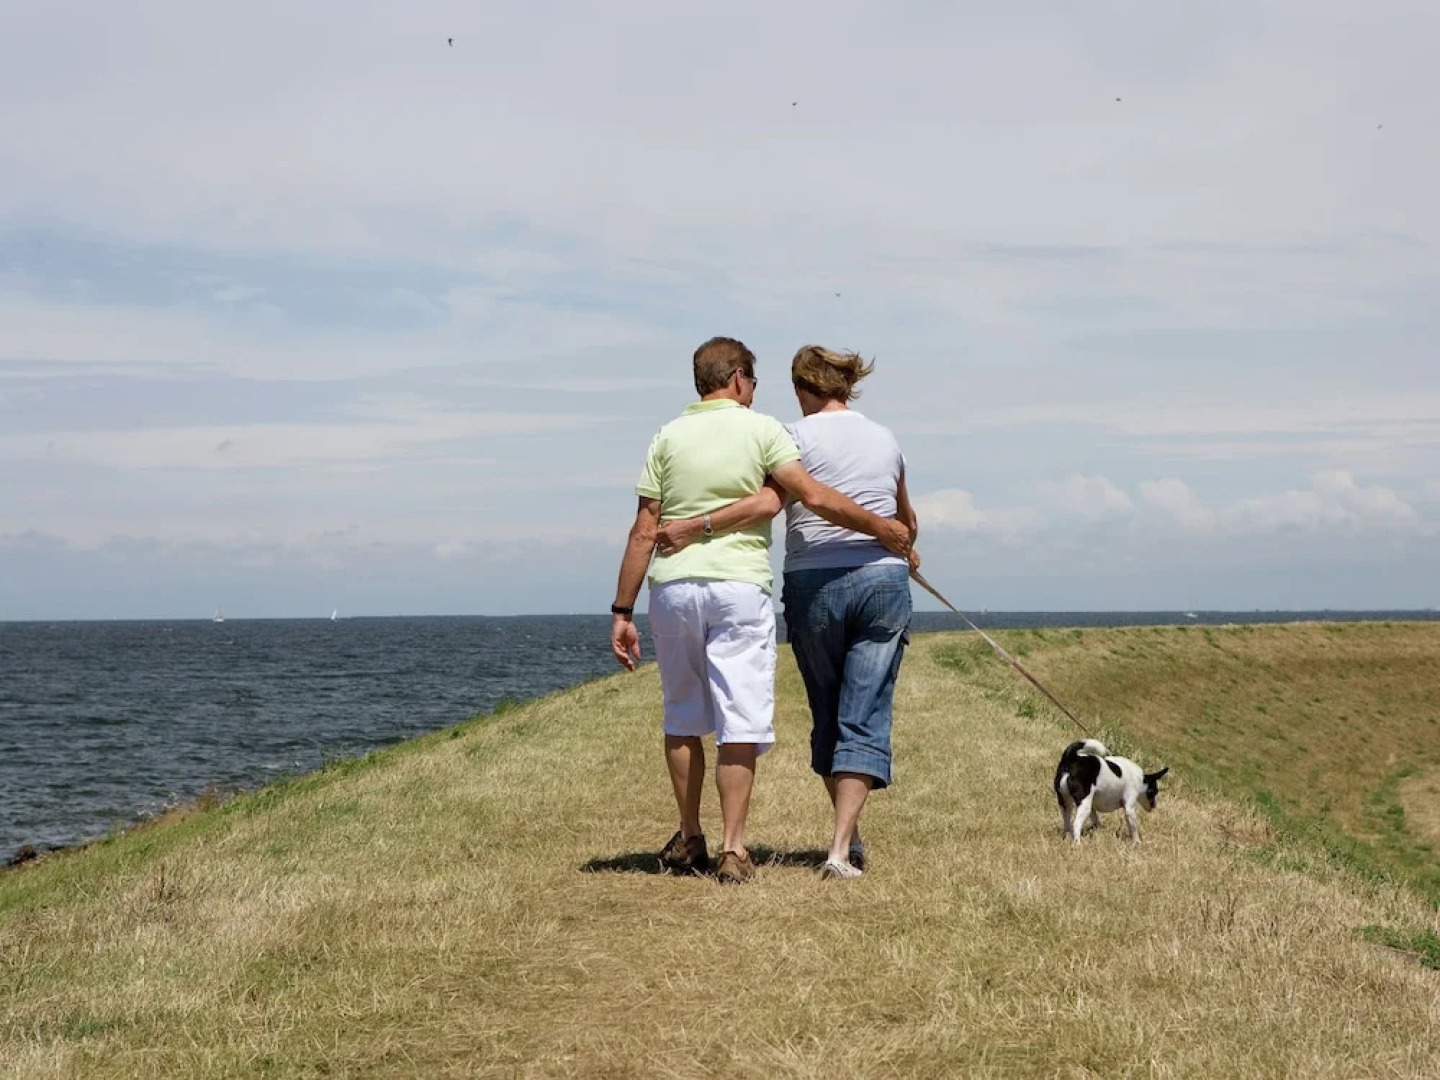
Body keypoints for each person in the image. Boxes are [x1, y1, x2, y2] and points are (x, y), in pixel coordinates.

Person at [610, 337, 911, 884]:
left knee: (683, 717)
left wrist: (621, 610)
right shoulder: (767, 430)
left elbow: (642, 530)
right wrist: (885, 531)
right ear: (740, 378)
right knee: (741, 718)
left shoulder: (667, 436)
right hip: (745, 586)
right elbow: (804, 498)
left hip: (674, 587)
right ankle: (737, 848)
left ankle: (690, 836)